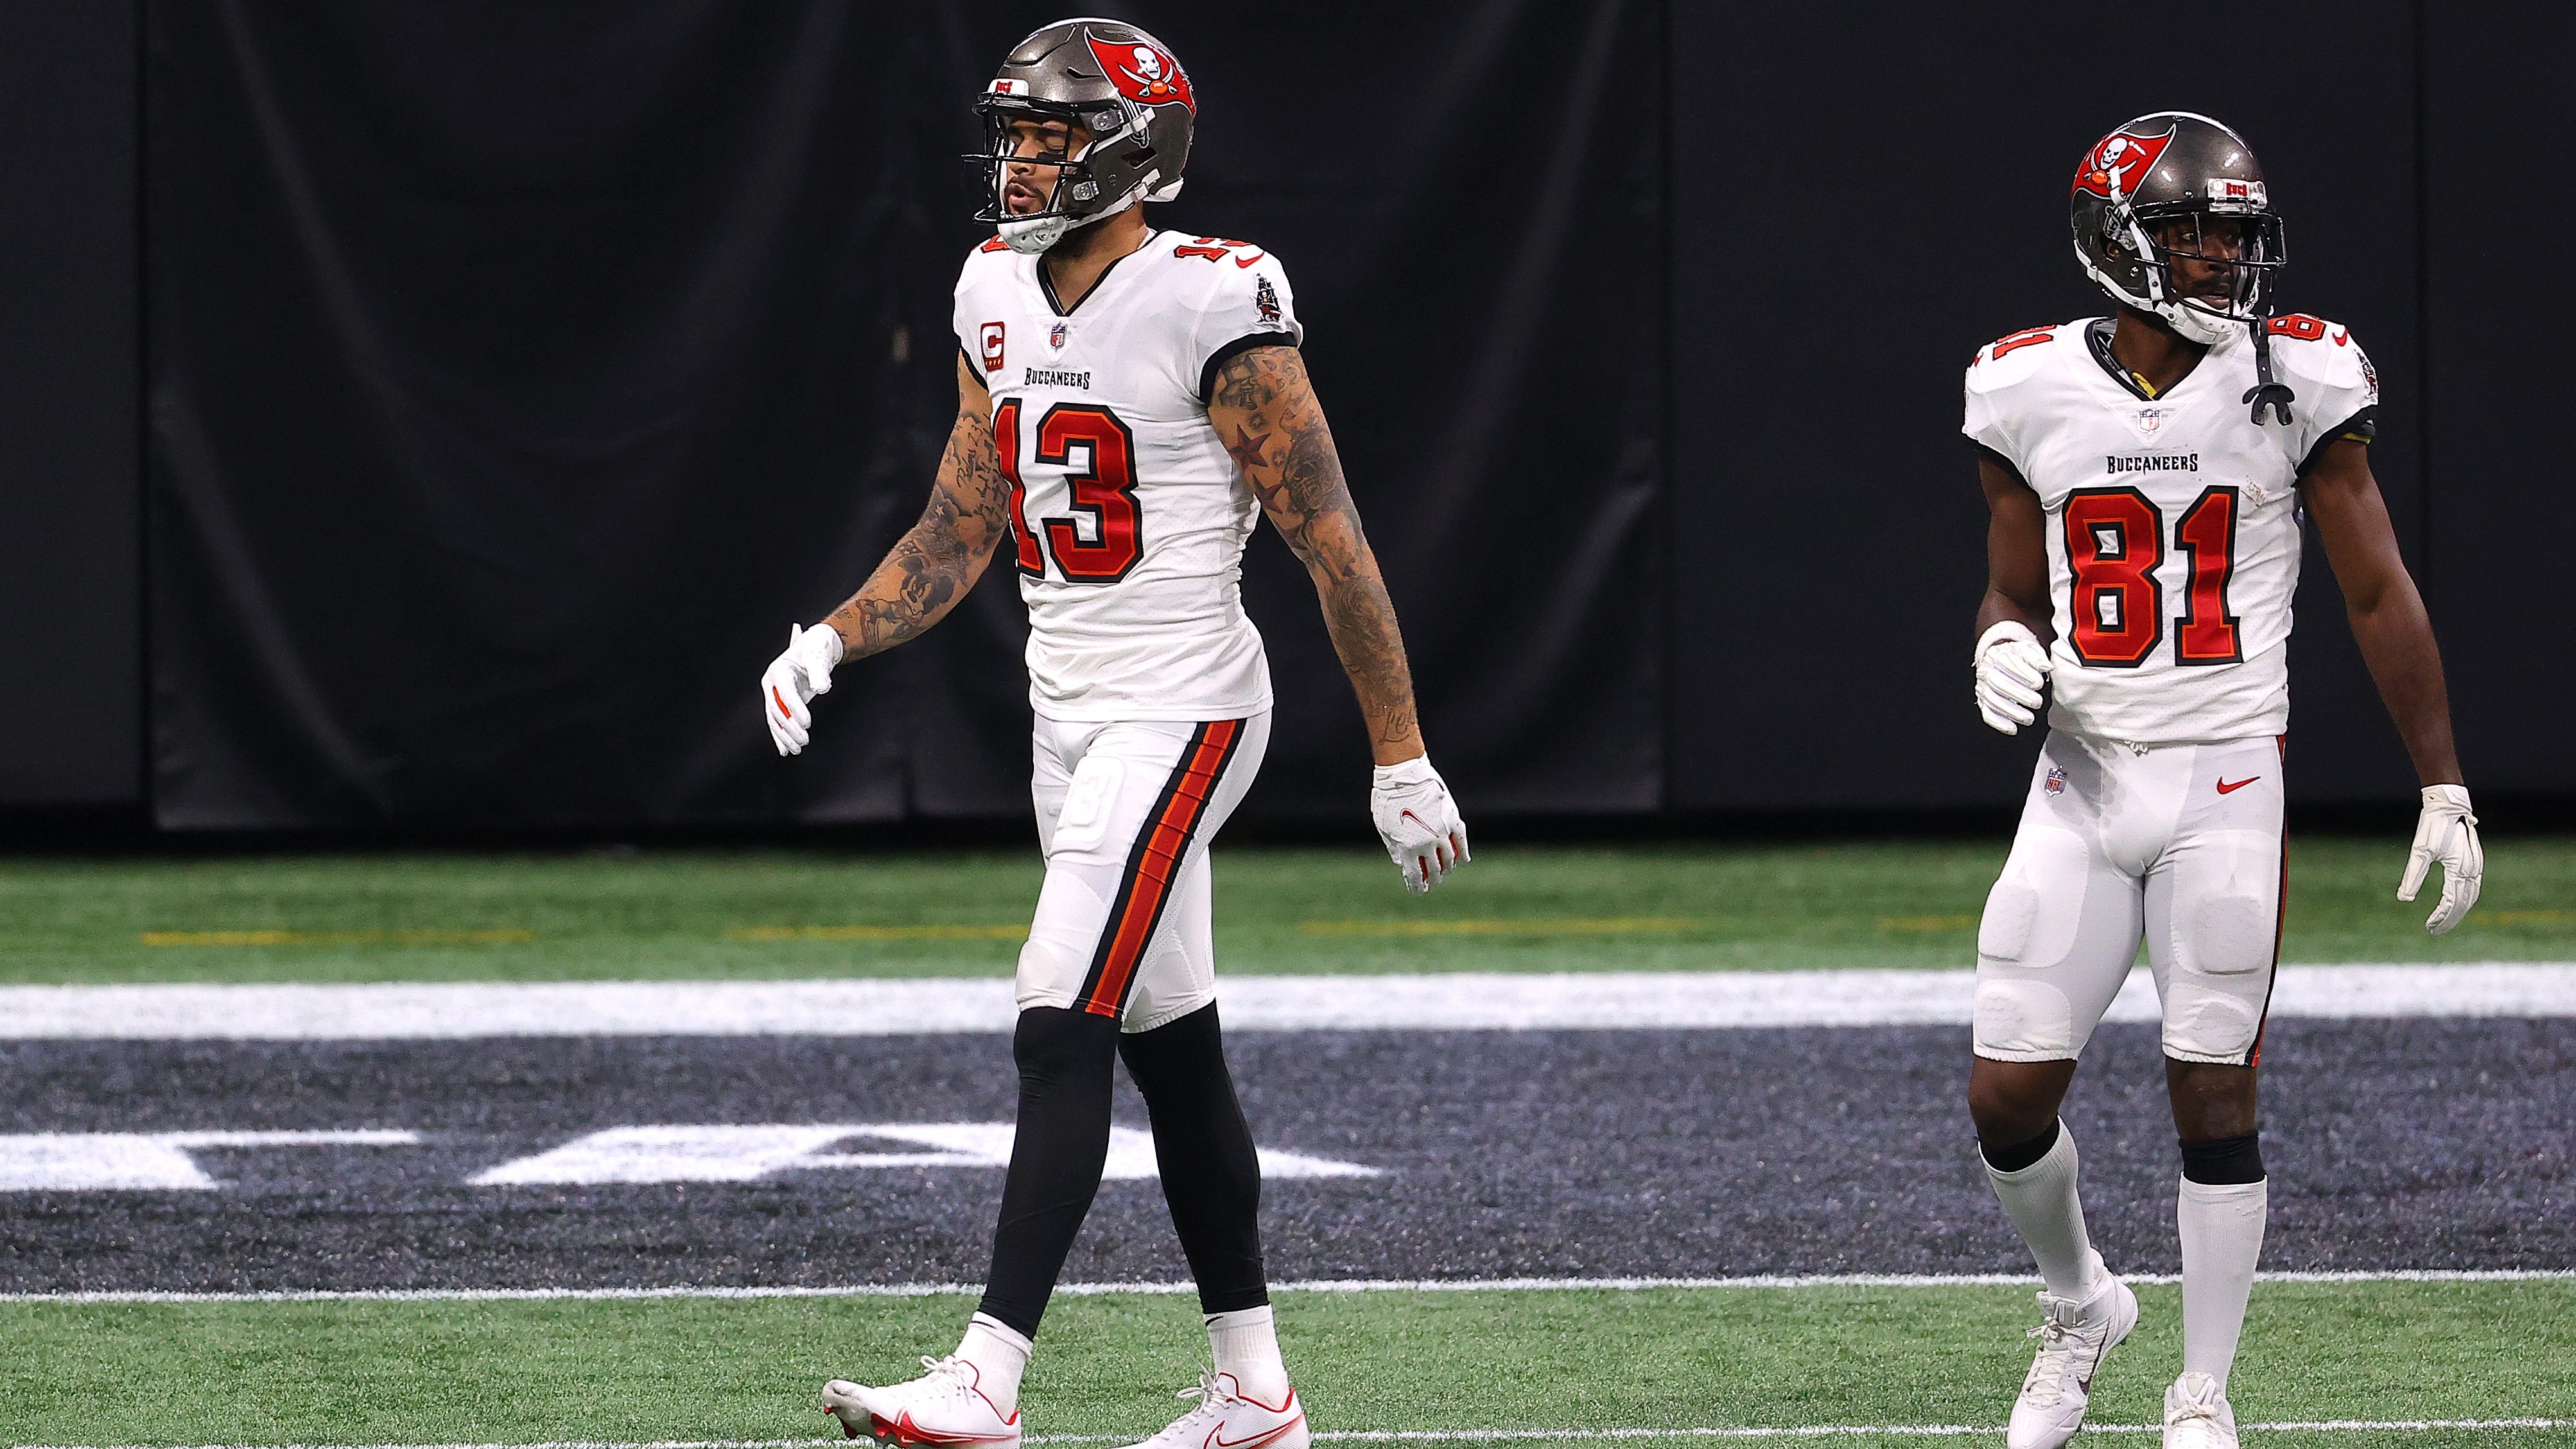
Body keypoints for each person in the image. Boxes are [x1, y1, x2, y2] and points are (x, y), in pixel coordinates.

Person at [757, 19, 1469, 1449]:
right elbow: (965, 521)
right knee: (1170, 1046)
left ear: (1134, 151)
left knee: (1054, 1006)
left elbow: (1329, 541)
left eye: (1048, 133)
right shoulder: (989, 291)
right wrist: (831, 633)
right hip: (1067, 717)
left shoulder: (1213, 297)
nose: (1018, 160)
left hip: (1188, 705)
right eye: (1012, 131)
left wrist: (1399, 753)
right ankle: (1256, 1393)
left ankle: (985, 1379)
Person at [1958, 112, 2482, 1449]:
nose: (2219, 262)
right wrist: (1999, 649)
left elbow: (2375, 591)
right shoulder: (2022, 388)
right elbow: (2008, 589)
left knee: (2213, 1082)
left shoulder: (2292, 381)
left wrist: (2440, 783)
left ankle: (2202, 1386)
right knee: (2005, 1096)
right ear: (2113, 243)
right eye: (2189, 235)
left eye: (2231, 235)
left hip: (2223, 774)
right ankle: (2078, 1304)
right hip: (2079, 777)